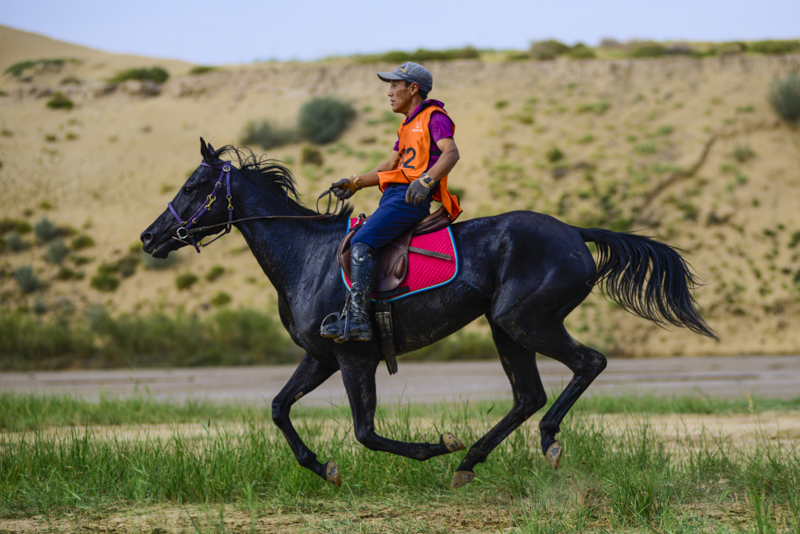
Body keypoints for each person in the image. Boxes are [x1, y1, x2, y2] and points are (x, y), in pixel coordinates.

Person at [321, 62, 462, 343]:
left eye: (394, 85)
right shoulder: (406, 125)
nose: (389, 92)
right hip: (394, 195)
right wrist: (355, 182)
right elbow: (391, 165)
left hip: (409, 197)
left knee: (362, 242)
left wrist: (427, 181)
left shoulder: (435, 117)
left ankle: (359, 320)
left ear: (413, 88)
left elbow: (452, 153)